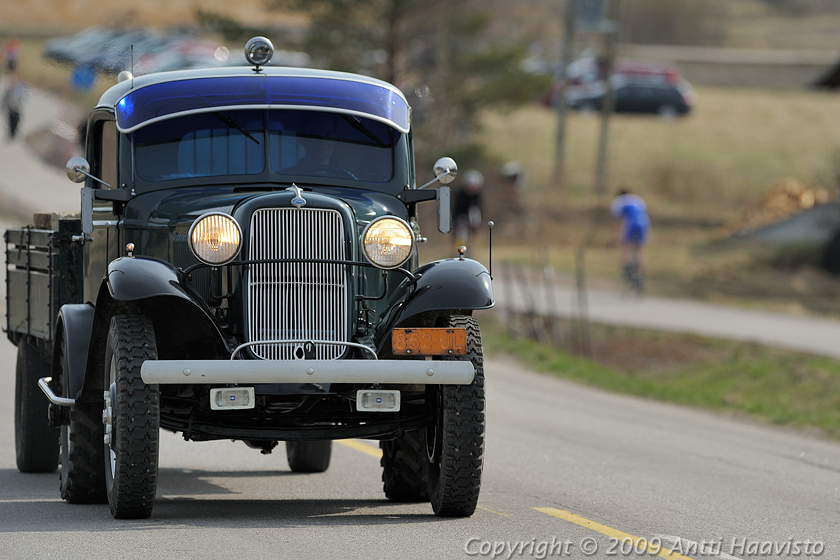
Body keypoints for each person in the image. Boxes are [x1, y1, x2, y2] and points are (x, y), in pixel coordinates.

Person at [610, 188, 650, 291]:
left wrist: (614, 236)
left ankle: (627, 268)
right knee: (640, 249)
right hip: (644, 223)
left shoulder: (618, 201)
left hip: (631, 224)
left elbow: (616, 221)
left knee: (624, 245)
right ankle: (640, 272)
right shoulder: (638, 199)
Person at [453, 169, 484, 245]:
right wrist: (456, 220)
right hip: (460, 218)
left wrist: (476, 222)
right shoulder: (460, 194)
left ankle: (470, 249)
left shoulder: (477, 196)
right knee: (460, 236)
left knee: (471, 236)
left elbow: (478, 210)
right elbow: (456, 209)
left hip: (471, 218)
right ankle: (458, 250)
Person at [2, 73, 28, 140]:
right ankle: (11, 134)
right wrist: (3, 107)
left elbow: (23, 97)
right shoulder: (8, 91)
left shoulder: (19, 90)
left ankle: (14, 133)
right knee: (10, 122)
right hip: (10, 110)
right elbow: (4, 99)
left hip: (17, 109)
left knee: (16, 122)